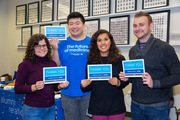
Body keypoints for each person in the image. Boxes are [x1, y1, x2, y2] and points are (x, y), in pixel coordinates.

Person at [119, 11, 180, 120]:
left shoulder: (165, 48)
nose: (137, 28)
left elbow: (177, 75)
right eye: (135, 25)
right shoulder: (133, 51)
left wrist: (154, 83)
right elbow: (137, 76)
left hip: (157, 107)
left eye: (141, 24)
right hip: (135, 105)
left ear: (151, 26)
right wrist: (128, 78)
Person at [14, 34, 69, 120]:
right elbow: (17, 88)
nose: (42, 48)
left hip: (50, 108)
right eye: (38, 46)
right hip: (32, 110)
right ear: (32, 48)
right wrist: (34, 87)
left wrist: (60, 86)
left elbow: (53, 87)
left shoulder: (52, 64)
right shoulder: (26, 64)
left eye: (44, 45)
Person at [50, 12, 91, 120]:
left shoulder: (92, 43)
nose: (74, 26)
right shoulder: (61, 43)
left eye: (77, 23)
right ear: (68, 26)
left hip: (88, 92)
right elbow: (55, 64)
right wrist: (54, 49)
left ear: (83, 24)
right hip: (67, 92)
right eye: (71, 24)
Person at [81, 29, 129, 120]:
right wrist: (83, 85)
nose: (103, 43)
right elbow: (88, 86)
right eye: (99, 40)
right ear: (96, 44)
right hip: (97, 107)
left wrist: (118, 82)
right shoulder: (91, 61)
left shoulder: (120, 59)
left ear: (111, 42)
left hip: (116, 106)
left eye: (105, 39)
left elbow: (125, 81)